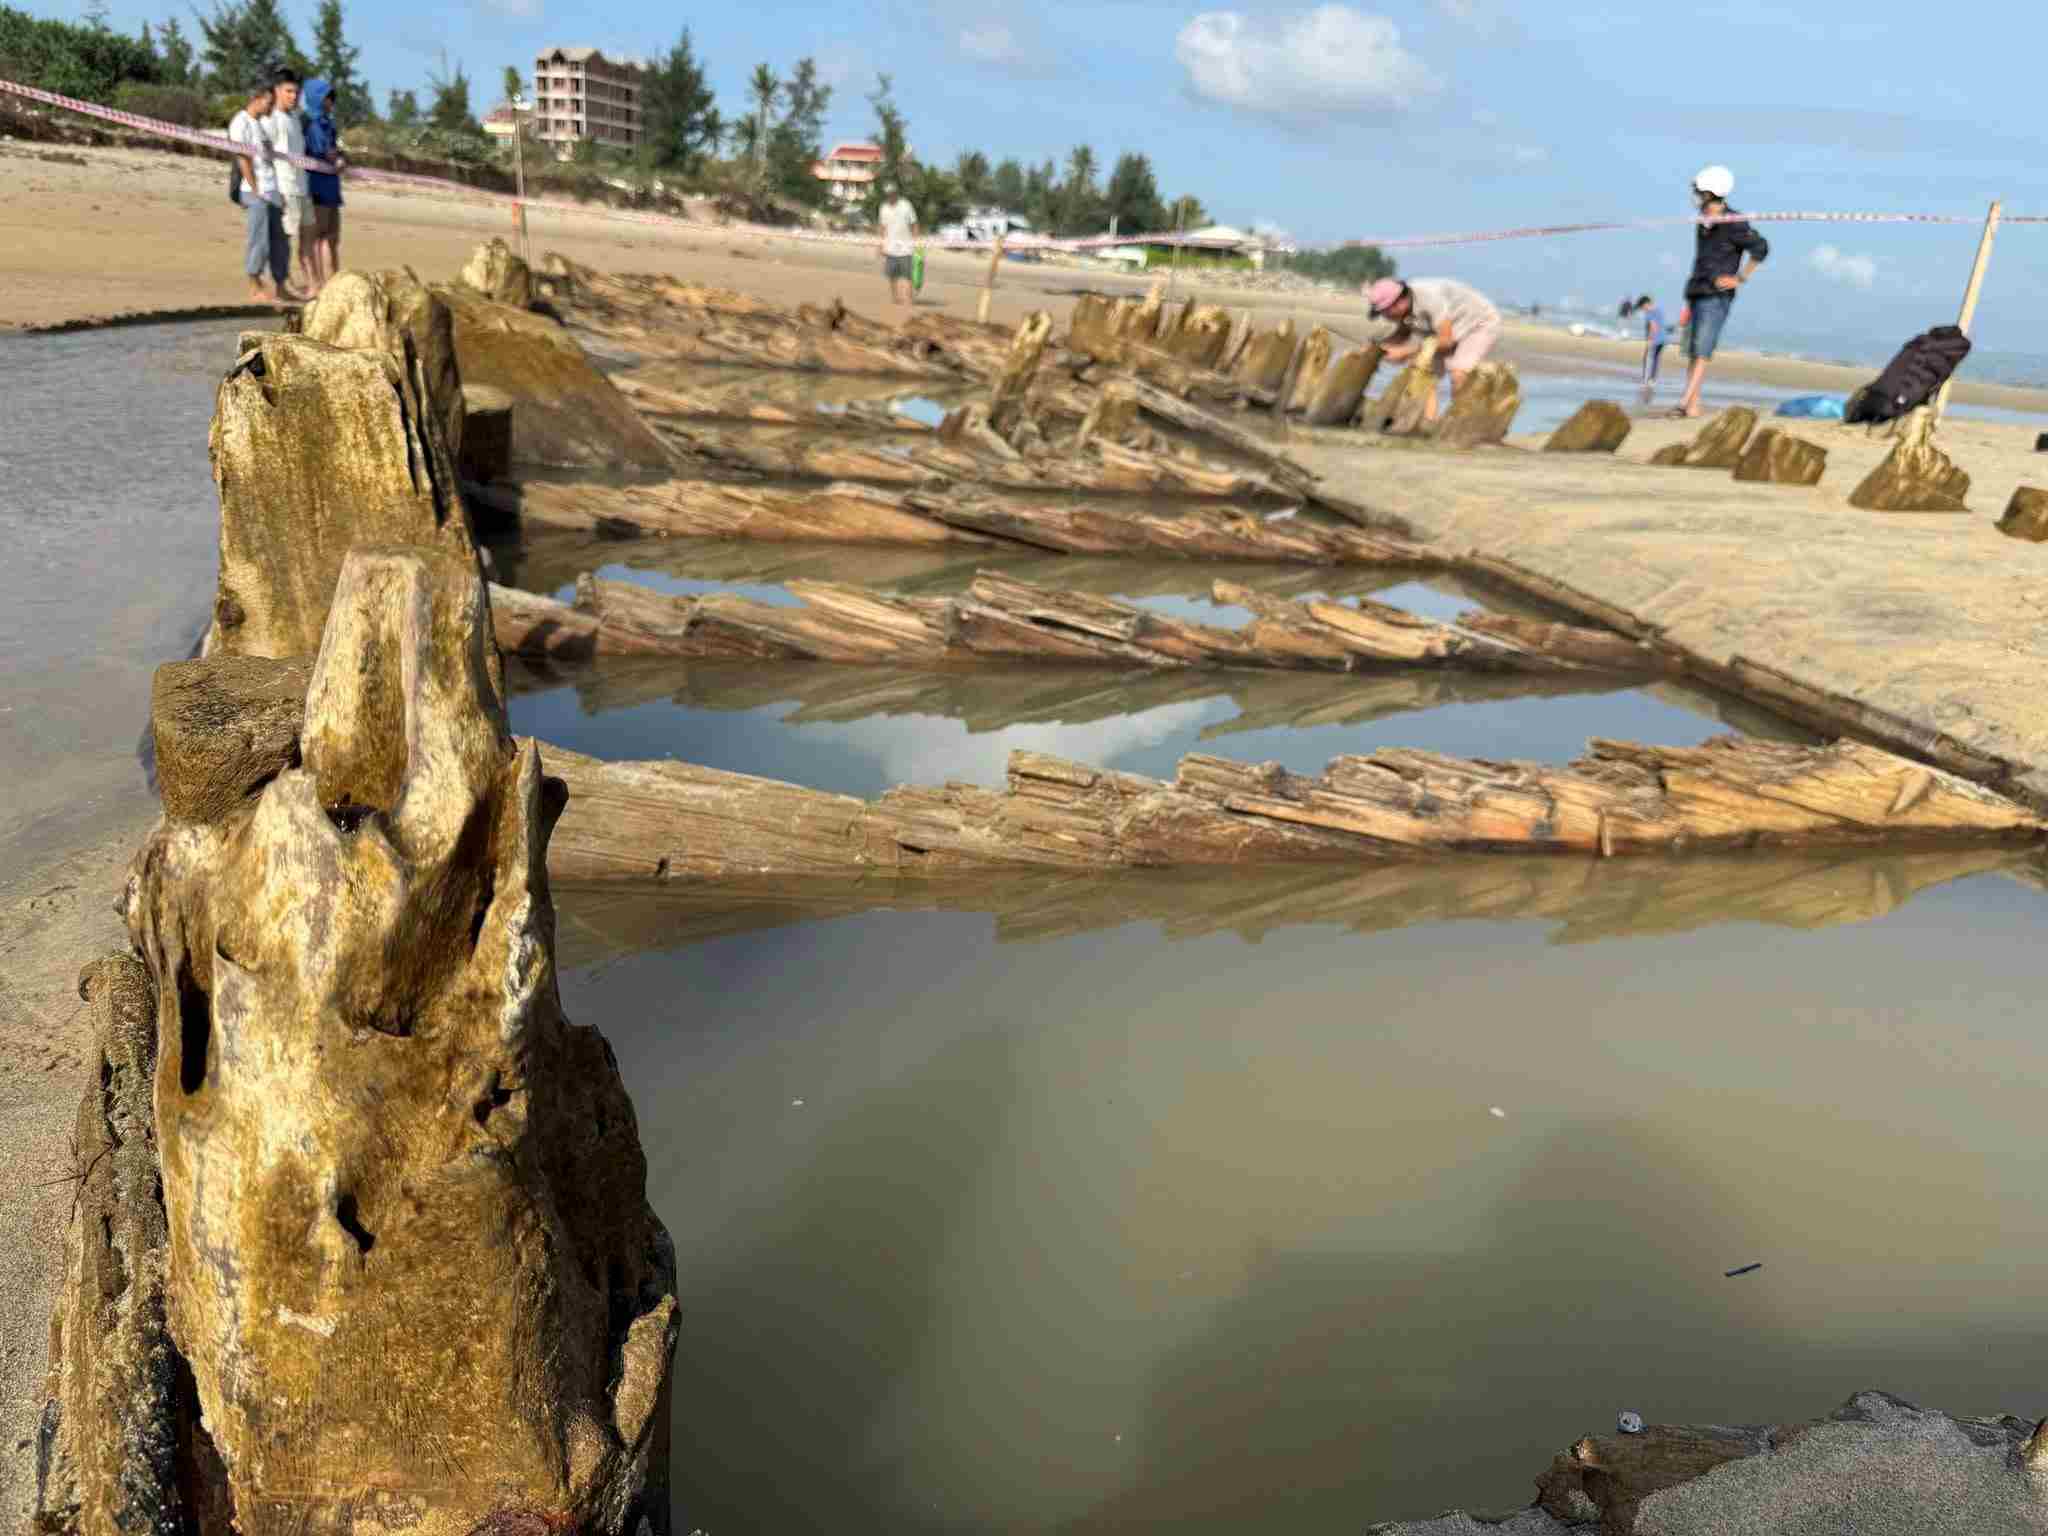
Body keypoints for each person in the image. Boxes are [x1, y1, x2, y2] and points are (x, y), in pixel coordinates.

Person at [1674, 164, 1768, 418]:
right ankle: (1693, 405)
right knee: (1693, 349)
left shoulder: (1734, 222)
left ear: (1710, 191)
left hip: (1716, 295)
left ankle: (1683, 402)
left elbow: (1761, 248)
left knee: (1703, 350)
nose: (1695, 194)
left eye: (1698, 190)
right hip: (1696, 289)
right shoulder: (1704, 221)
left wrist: (1740, 278)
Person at [1365, 276, 1503, 424]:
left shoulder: (1429, 298)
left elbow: (1446, 341)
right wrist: (1376, 348)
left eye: (1385, 312)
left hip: (1478, 323)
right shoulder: (1407, 306)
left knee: (1458, 371)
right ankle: (1428, 420)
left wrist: (1405, 352)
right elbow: (1402, 334)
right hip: (1446, 328)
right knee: (1424, 370)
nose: (1384, 317)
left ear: (1398, 303)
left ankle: (1462, 421)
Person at [227, 80, 292, 304]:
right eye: (268, 102)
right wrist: (254, 189)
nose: (270, 106)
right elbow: (242, 158)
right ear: (256, 99)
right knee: (260, 238)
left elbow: (271, 159)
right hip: (253, 190)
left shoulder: (263, 124)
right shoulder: (240, 122)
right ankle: (255, 285)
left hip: (271, 188)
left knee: (280, 240)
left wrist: (278, 191)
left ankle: (281, 285)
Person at [265, 68, 312, 299]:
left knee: (300, 237)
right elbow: (266, 156)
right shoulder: (271, 118)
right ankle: (281, 285)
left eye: (296, 92)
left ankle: (296, 282)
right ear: (277, 91)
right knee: (283, 238)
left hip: (301, 187)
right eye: (289, 91)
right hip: (284, 187)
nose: (293, 96)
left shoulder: (295, 118)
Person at [302, 78, 344, 296]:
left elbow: (333, 151)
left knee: (333, 236)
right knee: (320, 236)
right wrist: (338, 158)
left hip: (331, 186)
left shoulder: (329, 123)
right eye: (327, 97)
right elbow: (325, 151)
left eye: (331, 97)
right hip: (317, 185)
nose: (330, 101)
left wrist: (340, 158)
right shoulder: (313, 123)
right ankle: (321, 284)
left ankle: (333, 279)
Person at [876, 184, 920, 310]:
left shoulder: (906, 205)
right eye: (888, 194)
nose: (890, 195)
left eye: (892, 193)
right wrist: (880, 245)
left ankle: (908, 299)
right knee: (891, 275)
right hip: (890, 248)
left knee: (907, 275)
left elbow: (914, 224)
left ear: (896, 193)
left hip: (906, 247)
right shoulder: (883, 208)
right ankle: (895, 298)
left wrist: (917, 243)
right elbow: (882, 227)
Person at [1636, 292, 1673, 389]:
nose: (1642, 309)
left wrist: (1650, 339)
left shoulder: (1649, 313)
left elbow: (1653, 326)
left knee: (1648, 359)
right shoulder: (1659, 310)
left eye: (1642, 307)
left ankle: (1645, 380)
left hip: (1655, 339)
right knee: (1656, 359)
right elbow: (1663, 325)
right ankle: (1652, 380)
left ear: (1645, 304)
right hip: (1663, 339)